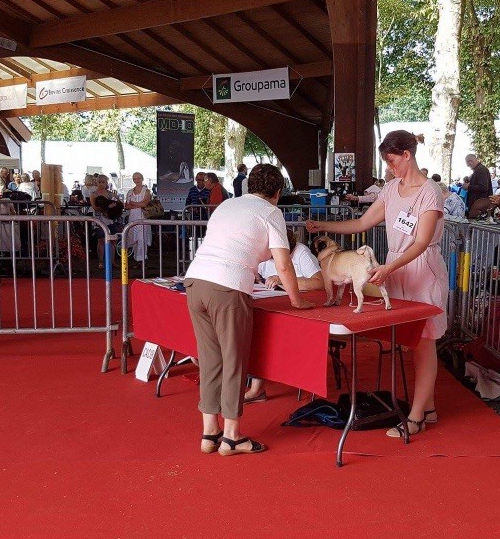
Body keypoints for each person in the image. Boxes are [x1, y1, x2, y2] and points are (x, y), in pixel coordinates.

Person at [306, 129, 447, 438]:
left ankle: (416, 417)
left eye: (392, 160)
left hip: (422, 269)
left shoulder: (430, 192)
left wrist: (389, 267)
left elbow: (421, 241)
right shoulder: (391, 189)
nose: (389, 167)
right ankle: (428, 407)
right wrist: (323, 225)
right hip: (396, 266)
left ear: (407, 155)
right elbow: (362, 222)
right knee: (412, 342)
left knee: (425, 342)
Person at [184, 164, 314, 455]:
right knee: (234, 362)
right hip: (227, 286)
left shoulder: (228, 205)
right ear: (277, 192)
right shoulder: (271, 212)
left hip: (195, 281)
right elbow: (283, 263)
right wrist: (297, 300)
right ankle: (232, 437)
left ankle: (210, 432)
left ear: (249, 186)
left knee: (210, 360)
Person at [243, 227, 325, 404]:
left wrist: (283, 280)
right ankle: (249, 381)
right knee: (254, 328)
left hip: (304, 311)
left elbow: (319, 283)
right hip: (279, 305)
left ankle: (256, 388)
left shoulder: (301, 253)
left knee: (261, 333)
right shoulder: (266, 255)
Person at [124, 172, 153, 262]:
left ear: (142, 179)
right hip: (133, 217)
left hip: (143, 217)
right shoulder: (130, 192)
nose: (136, 180)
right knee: (134, 239)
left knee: (142, 238)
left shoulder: (146, 191)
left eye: (138, 178)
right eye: (134, 178)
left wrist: (133, 203)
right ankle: (136, 257)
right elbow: (126, 205)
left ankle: (142, 258)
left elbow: (145, 203)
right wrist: (138, 205)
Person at [465, 154, 494, 219]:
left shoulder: (481, 169)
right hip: (477, 207)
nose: (468, 166)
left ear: (470, 161)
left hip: (480, 208)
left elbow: (484, 187)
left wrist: (468, 187)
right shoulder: (478, 170)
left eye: (468, 163)